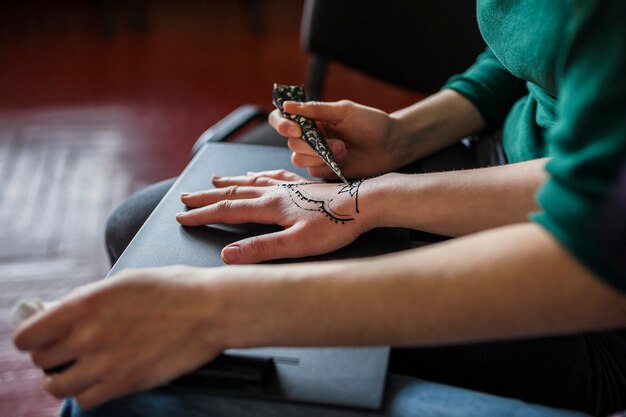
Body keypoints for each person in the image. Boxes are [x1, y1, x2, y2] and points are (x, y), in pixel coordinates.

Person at [13, 1, 626, 416]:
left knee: (128, 398)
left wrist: (365, 201)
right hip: (502, 164)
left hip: (590, 314)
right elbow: (534, 50)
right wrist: (405, 137)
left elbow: (595, 241)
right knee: (140, 226)